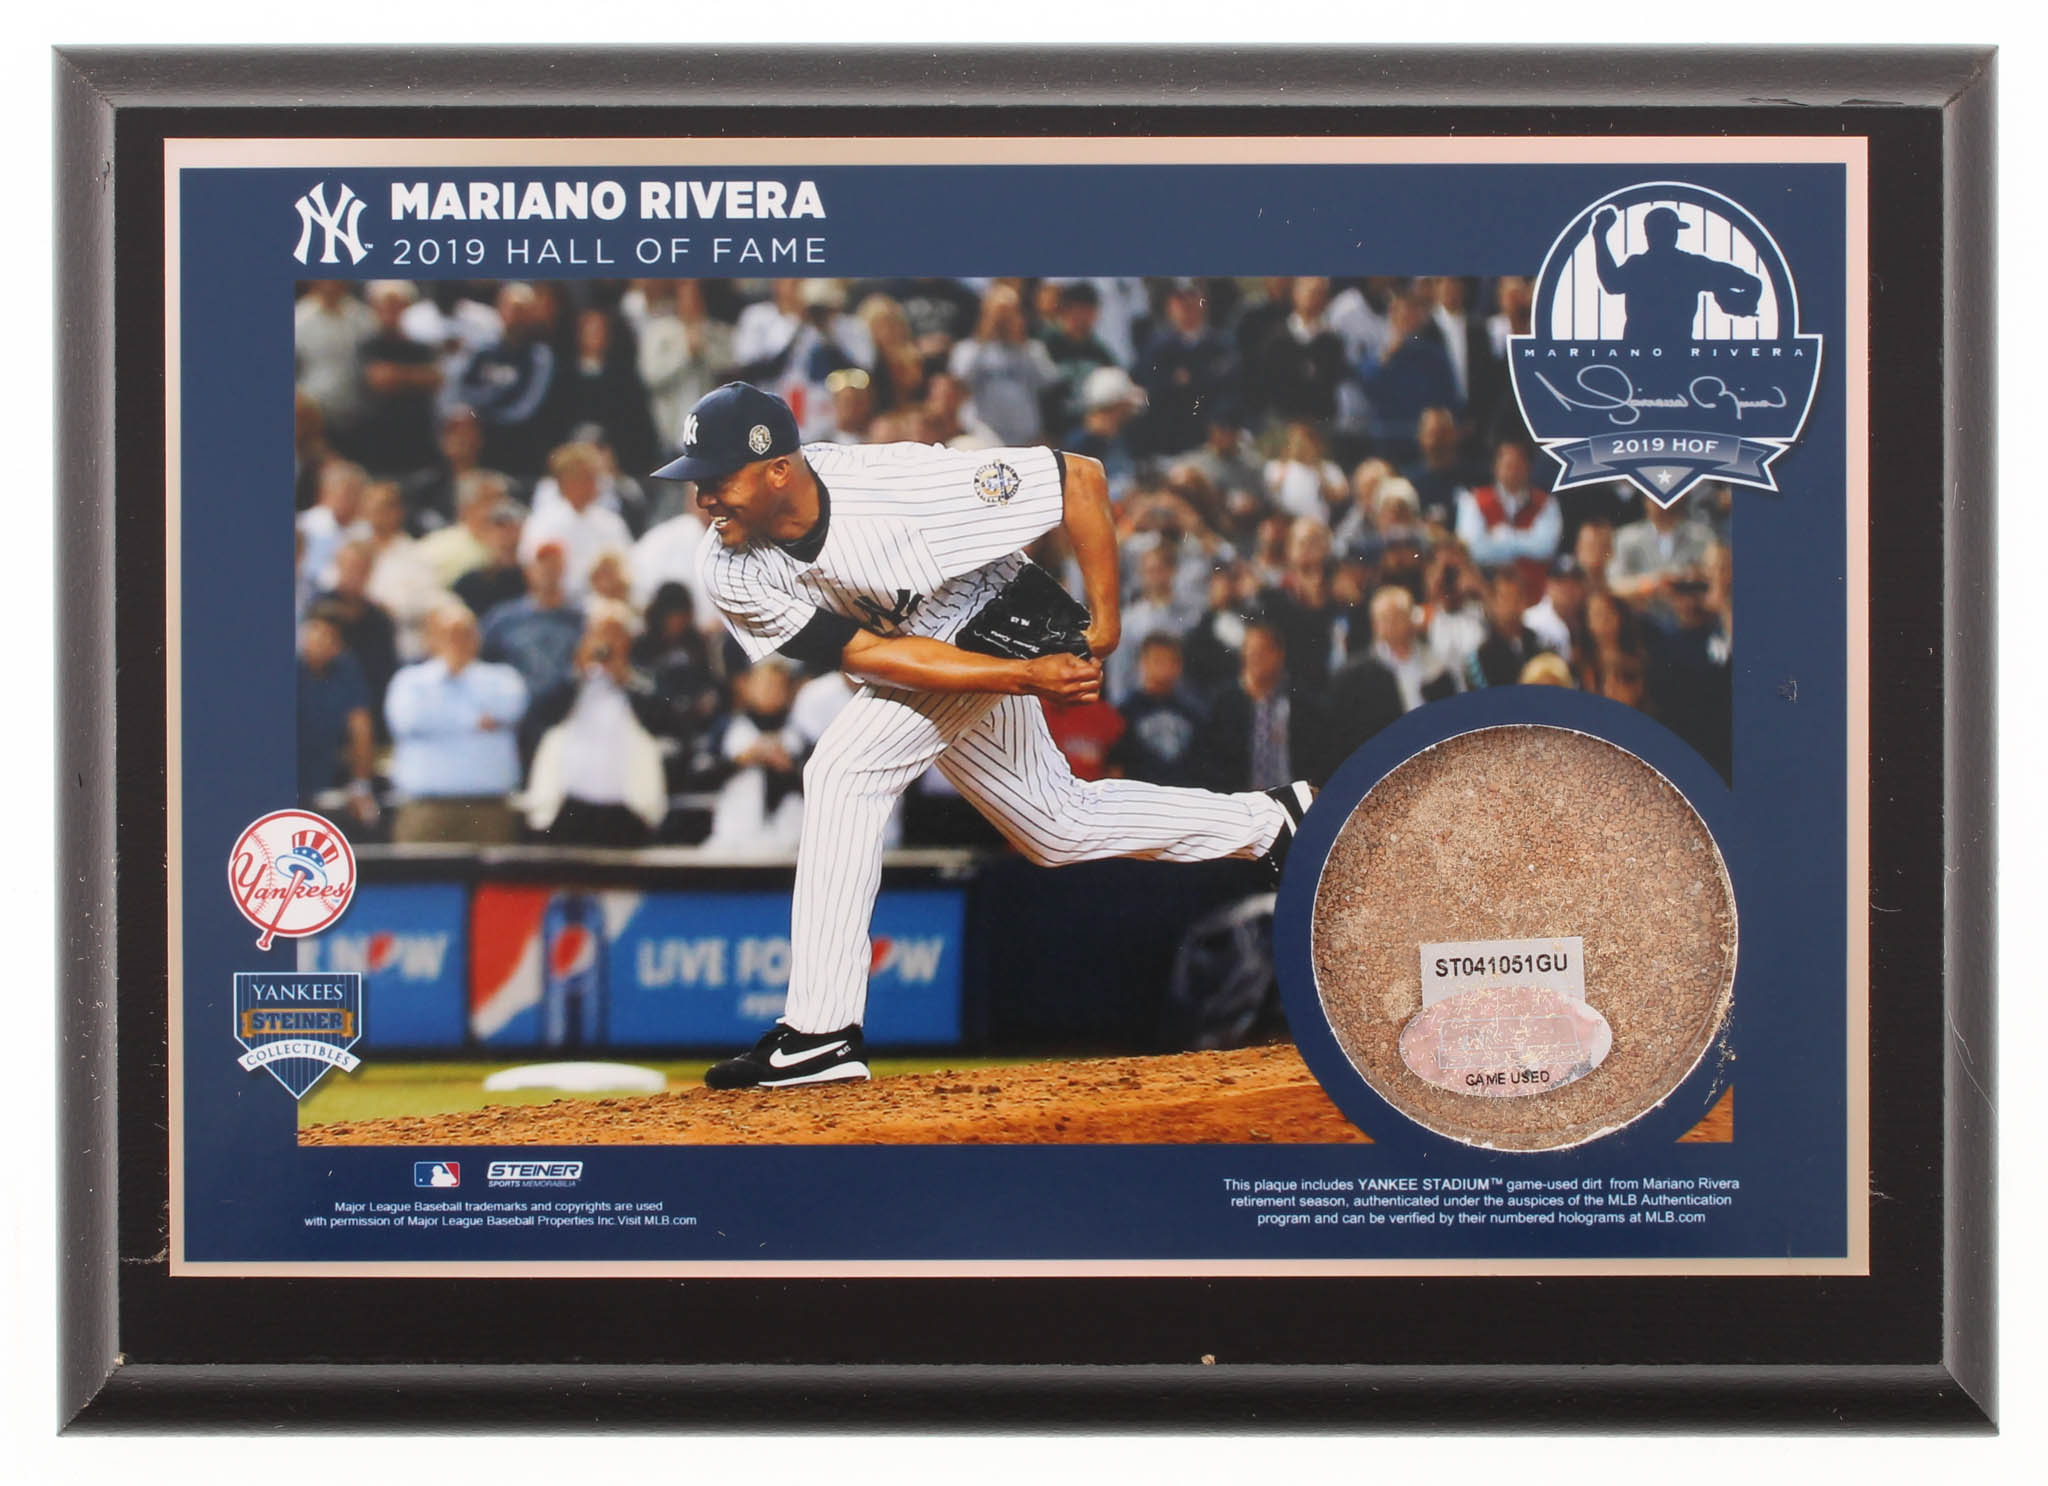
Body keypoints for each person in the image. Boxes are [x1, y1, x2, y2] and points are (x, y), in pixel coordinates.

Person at [650, 382, 1314, 1089]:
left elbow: (1079, 478)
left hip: (992, 605)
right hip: (923, 645)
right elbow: (870, 656)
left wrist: (1105, 625)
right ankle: (1274, 821)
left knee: (842, 772)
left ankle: (822, 1033)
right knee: (1055, 825)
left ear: (779, 469)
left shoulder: (900, 484)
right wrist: (1022, 678)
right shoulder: (725, 565)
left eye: (719, 479)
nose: (704, 497)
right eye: (697, 480)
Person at [383, 603, 528, 844]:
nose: (457, 641)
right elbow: (408, 719)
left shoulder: (503, 679)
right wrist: (474, 719)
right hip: (426, 810)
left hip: (489, 810)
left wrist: (440, 713)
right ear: (430, 638)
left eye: (465, 632)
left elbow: (510, 709)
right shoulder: (409, 681)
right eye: (449, 633)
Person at [296, 601, 378, 827]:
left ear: (339, 645)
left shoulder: (346, 670)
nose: (320, 640)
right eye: (315, 630)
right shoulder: (285, 667)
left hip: (325, 780)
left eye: (330, 636)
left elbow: (360, 728)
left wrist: (361, 786)